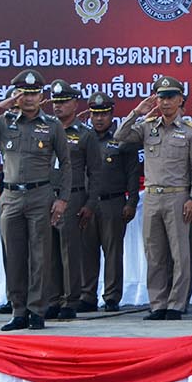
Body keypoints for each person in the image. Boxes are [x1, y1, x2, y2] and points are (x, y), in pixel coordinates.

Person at [0, 69, 70, 331]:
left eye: (33, 94)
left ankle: (36, 311)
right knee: (14, 256)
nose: (29, 99)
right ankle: (18, 311)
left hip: (40, 195)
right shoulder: (3, 122)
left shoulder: (52, 125)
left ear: (41, 96)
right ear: (15, 96)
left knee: (39, 256)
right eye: (23, 94)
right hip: (10, 196)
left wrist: (62, 199)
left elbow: (66, 164)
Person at [115, 76, 192, 321]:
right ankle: (158, 304)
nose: (165, 102)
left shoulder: (189, 130)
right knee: (154, 253)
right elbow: (120, 136)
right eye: (161, 97)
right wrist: (136, 112)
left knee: (180, 254)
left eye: (170, 97)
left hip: (178, 197)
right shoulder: (147, 126)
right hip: (153, 197)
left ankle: (176, 305)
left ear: (180, 100)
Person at [42, 81, 100, 320]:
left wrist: (90, 204)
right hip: (46, 196)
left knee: (69, 251)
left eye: (64, 102)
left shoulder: (85, 134)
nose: (58, 106)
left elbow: (95, 173)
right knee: (48, 251)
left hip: (74, 196)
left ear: (75, 104)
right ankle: (53, 299)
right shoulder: (44, 129)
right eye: (55, 102)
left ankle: (70, 300)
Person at [81, 92, 140, 312]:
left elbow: (134, 174)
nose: (99, 119)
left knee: (113, 253)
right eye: (95, 114)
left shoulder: (123, 139)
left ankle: (112, 297)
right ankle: (87, 296)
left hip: (113, 203)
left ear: (111, 114)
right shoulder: (84, 138)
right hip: (88, 203)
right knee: (87, 252)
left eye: (104, 114)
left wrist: (131, 202)